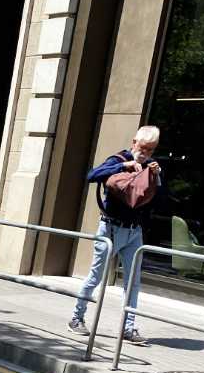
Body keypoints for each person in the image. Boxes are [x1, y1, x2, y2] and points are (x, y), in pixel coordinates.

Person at [68, 126, 162, 346]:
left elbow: (158, 200)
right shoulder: (118, 158)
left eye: (151, 149)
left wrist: (156, 178)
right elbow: (92, 175)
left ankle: (128, 328)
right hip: (110, 228)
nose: (146, 152)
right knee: (96, 276)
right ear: (134, 142)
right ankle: (76, 317)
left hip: (134, 231)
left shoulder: (152, 166)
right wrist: (123, 166)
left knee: (133, 282)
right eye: (143, 147)